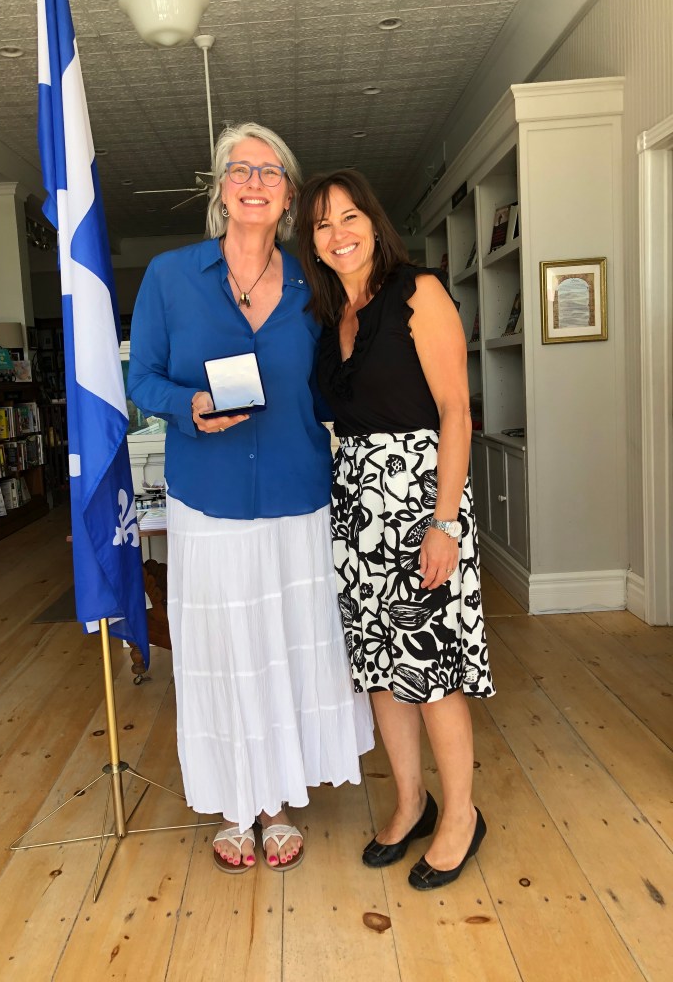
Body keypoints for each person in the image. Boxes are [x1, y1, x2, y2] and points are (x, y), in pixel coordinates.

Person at [128, 124, 373, 874]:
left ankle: (275, 803)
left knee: (286, 646)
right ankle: (236, 802)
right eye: (241, 169)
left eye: (270, 170)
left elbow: (342, 382)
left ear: (290, 196)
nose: (255, 181)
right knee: (227, 652)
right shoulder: (170, 276)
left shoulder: (316, 284)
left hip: (299, 493)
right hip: (210, 494)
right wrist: (190, 404)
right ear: (220, 188)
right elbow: (141, 381)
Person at [296, 169, 495, 891]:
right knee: (380, 667)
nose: (339, 233)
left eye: (351, 216)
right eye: (322, 224)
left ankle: (462, 815)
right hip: (354, 508)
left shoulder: (421, 292)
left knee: (432, 667)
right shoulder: (328, 321)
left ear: (374, 223)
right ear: (311, 242)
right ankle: (412, 801)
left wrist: (445, 521)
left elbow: (456, 412)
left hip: (419, 501)